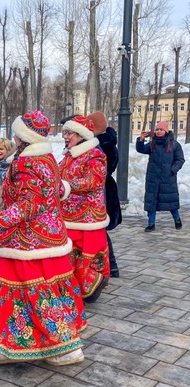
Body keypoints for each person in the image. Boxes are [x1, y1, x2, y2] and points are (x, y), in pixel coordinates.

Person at [0, 110, 86, 366]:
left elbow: (28, 205)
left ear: (25, 135)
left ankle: (64, 347)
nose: (14, 136)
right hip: (45, 237)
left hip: (28, 240)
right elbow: (56, 189)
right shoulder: (46, 158)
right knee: (16, 290)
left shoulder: (28, 162)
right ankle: (11, 343)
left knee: (35, 292)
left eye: (17, 131)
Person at [59, 115, 110, 303]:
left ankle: (93, 285)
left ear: (80, 135)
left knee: (86, 255)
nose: (65, 136)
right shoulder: (68, 155)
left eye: (69, 133)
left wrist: (66, 186)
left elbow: (94, 181)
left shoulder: (95, 155)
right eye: (64, 132)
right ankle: (76, 288)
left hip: (87, 217)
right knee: (70, 254)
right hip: (69, 216)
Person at [87, 111, 122, 278]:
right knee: (99, 229)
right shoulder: (102, 142)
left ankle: (111, 265)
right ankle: (110, 265)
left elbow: (109, 167)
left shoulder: (101, 144)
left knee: (99, 228)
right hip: (104, 188)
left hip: (103, 190)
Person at [136, 120, 185, 232]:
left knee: (170, 201)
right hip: (153, 178)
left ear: (166, 131)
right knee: (151, 202)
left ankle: (177, 219)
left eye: (161, 129)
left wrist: (172, 170)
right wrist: (141, 140)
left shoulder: (174, 144)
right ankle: (151, 224)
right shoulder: (152, 144)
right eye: (157, 129)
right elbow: (141, 149)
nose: (158, 131)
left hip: (167, 178)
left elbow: (180, 159)